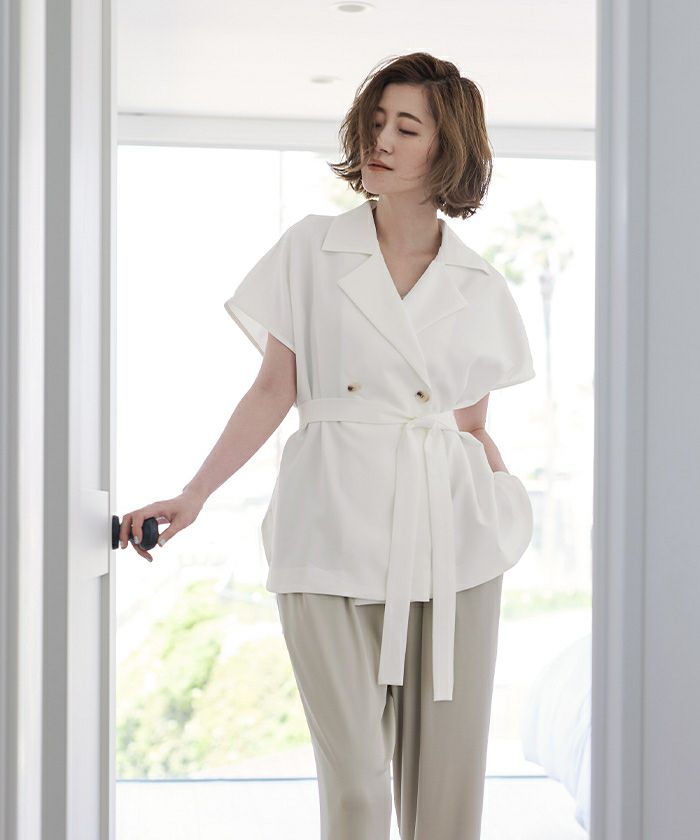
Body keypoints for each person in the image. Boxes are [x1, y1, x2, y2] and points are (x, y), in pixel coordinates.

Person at [119, 51, 536, 840]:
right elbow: (273, 389)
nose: (382, 140)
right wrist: (195, 493)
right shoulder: (311, 248)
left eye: (406, 127)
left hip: (452, 544)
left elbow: (471, 426)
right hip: (327, 531)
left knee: (446, 808)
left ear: (447, 148)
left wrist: (504, 509)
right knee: (356, 793)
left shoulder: (479, 284)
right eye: (376, 122)